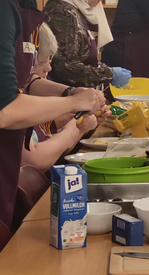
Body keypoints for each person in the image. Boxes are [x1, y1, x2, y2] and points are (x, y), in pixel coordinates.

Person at [0, 0, 106, 226]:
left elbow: (23, 82)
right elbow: (4, 109)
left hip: (3, 161)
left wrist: (69, 94)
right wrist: (78, 103)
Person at [44, 0, 131, 89]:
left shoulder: (80, 7)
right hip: (64, 97)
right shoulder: (62, 13)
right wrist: (108, 74)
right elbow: (64, 68)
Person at [22, 23, 97, 174]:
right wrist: (75, 128)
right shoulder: (13, 102)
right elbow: (35, 160)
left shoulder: (26, 91)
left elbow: (51, 143)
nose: (48, 69)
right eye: (42, 63)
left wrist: (80, 124)